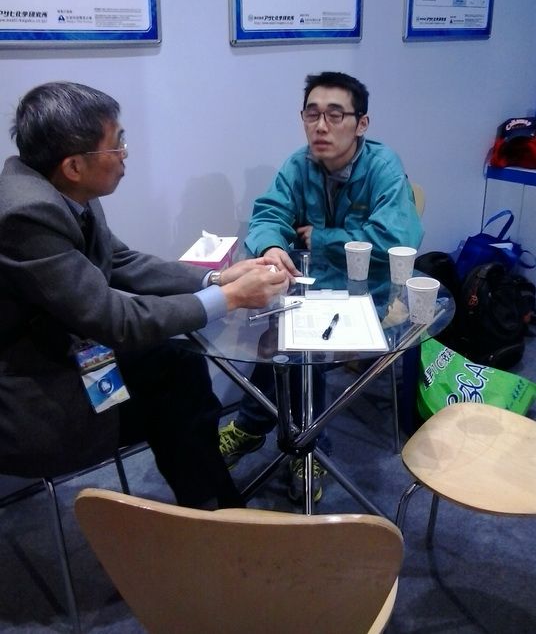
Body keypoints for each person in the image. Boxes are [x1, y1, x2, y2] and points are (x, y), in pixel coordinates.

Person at [0, 81, 289, 510]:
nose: (125, 154)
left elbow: (121, 260)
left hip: (75, 357)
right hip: (41, 397)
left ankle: (212, 511)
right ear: (74, 165)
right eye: (116, 144)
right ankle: (218, 517)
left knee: (179, 370)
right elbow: (115, 320)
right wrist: (231, 298)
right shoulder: (26, 215)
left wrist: (217, 279)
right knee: (180, 403)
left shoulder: (61, 187)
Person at [219, 71, 423, 501]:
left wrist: (322, 238)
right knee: (286, 330)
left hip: (368, 294)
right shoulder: (299, 164)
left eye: (335, 115)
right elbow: (269, 213)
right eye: (312, 114)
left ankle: (274, 434)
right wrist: (273, 245)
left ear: (361, 124)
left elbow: (397, 239)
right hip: (307, 288)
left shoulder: (383, 166)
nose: (321, 126)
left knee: (293, 341)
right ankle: (301, 444)